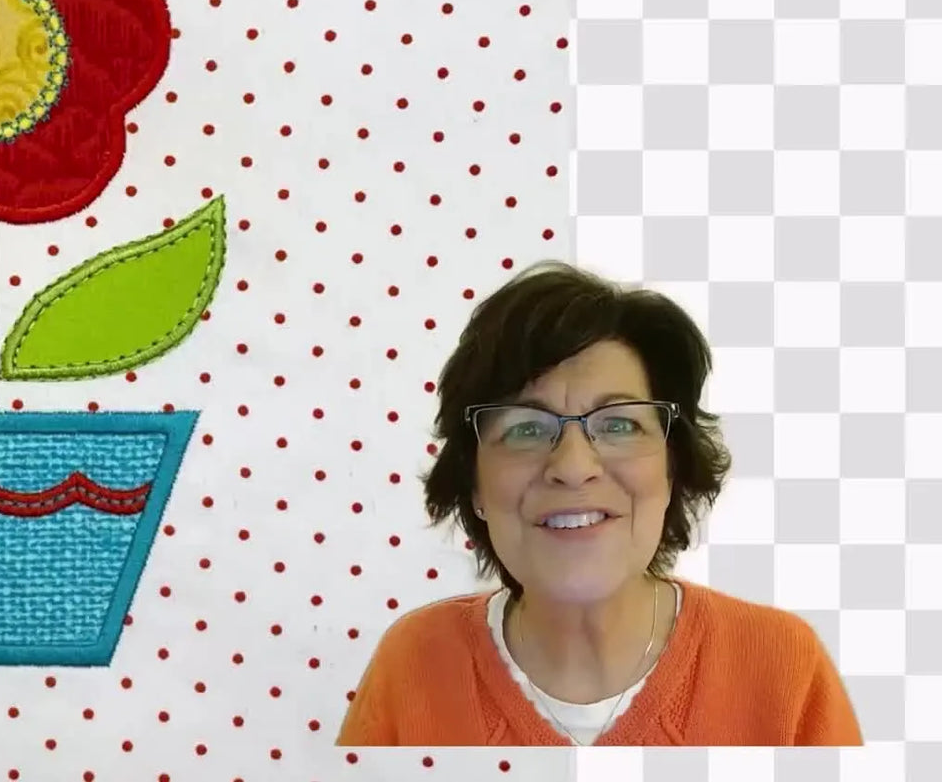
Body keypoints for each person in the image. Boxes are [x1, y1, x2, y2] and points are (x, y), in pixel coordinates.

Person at [334, 261, 863, 747]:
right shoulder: (415, 665)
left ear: (672, 466)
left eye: (618, 424)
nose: (572, 465)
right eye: (524, 428)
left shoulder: (782, 667)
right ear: (474, 483)